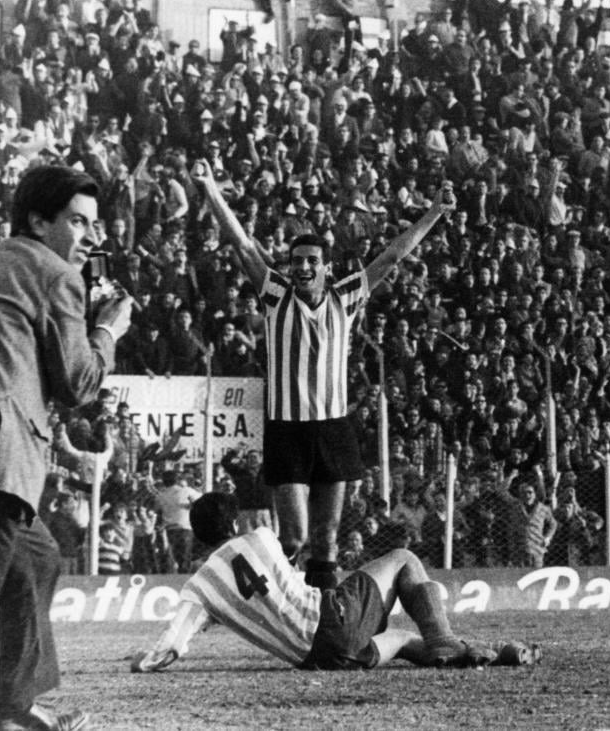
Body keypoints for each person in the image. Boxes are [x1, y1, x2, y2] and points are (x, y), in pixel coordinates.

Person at [193, 160, 452, 590]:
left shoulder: (346, 295)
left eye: (312, 260)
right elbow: (242, 245)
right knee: (292, 538)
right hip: (287, 429)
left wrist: (436, 213)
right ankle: (255, 598)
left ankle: (325, 624)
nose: (303, 267)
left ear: (326, 266)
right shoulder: (275, 294)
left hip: (332, 427)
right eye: (296, 261)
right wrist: (208, 187)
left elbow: (393, 254)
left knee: (327, 539)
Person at [0, 165, 132, 731]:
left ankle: (15, 709)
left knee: (37, 559)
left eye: (92, 224)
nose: (88, 237)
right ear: (38, 221)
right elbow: (78, 385)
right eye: (77, 222)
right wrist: (108, 331)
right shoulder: (56, 274)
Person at [130, 493, 539, 673]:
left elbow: (170, 650)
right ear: (234, 523)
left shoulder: (199, 588)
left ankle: (486, 653)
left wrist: (145, 660)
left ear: (200, 537)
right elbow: (285, 566)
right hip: (330, 619)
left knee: (402, 641)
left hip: (320, 658)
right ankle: (447, 641)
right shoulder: (259, 538)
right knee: (404, 560)